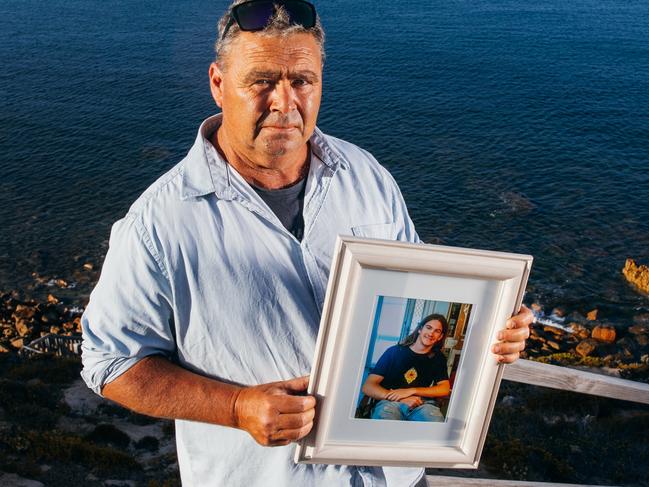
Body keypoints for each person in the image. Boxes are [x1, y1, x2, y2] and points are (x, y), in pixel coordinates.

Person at [80, 1, 533, 485]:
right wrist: (236, 407)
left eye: (302, 80)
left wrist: (494, 328)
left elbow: (420, 289)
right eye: (261, 81)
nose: (284, 101)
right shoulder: (159, 222)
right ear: (217, 83)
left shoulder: (366, 175)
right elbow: (110, 363)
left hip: (398, 475)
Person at [362, 314, 451, 422]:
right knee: (386, 423)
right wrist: (402, 397)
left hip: (422, 404)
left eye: (437, 331)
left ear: (440, 337)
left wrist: (411, 390)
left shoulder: (438, 358)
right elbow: (368, 386)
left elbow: (445, 389)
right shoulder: (394, 352)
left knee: (435, 423)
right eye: (428, 327)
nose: (431, 333)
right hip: (389, 402)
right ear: (420, 329)